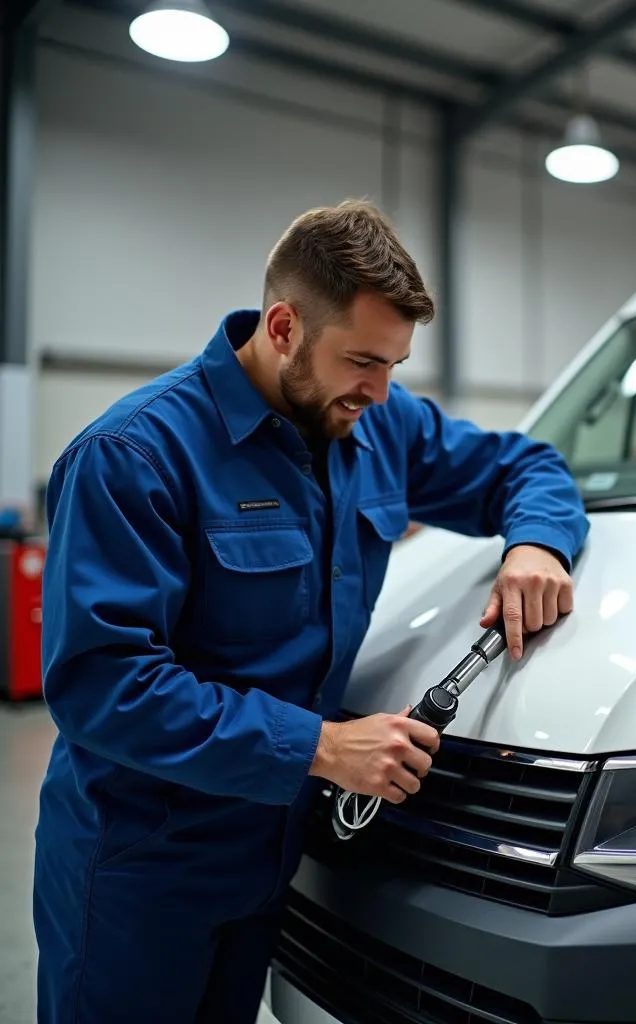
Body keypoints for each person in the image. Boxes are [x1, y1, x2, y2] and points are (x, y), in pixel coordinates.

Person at [33, 199, 590, 1023]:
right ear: (285, 326)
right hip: (140, 873)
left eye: (396, 364)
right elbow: (103, 687)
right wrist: (322, 747)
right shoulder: (135, 457)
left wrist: (536, 545)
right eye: (364, 359)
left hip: (270, 860)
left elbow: (527, 466)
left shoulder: (375, 421)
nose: (382, 388)